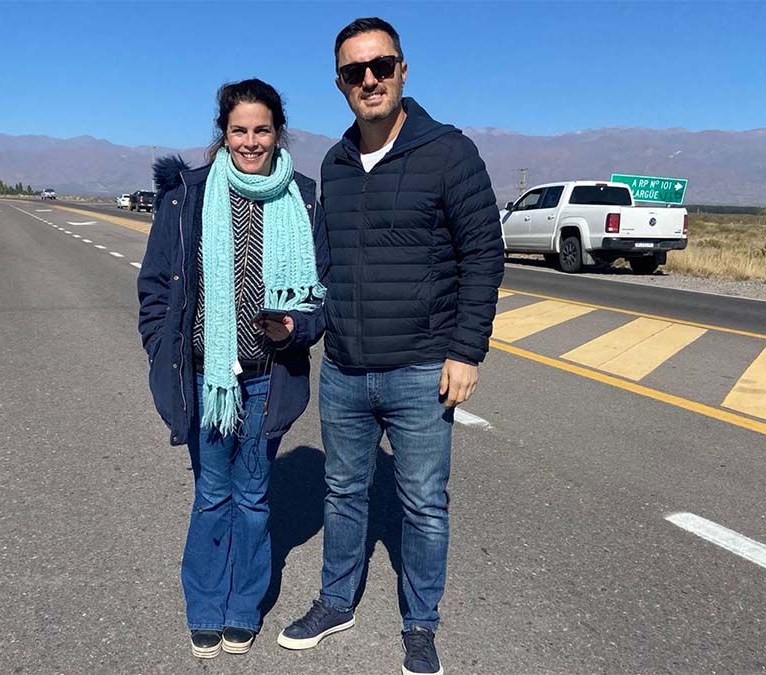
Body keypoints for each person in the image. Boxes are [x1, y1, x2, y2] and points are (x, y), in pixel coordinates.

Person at [277, 18, 504, 675]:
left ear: (404, 70)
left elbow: (483, 254)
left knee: (423, 503)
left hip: (421, 367)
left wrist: (467, 351)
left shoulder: (448, 152)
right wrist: (302, 326)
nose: (369, 79)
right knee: (343, 492)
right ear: (340, 84)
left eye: (381, 66)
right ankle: (335, 601)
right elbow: (326, 268)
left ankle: (420, 623)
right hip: (346, 369)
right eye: (355, 72)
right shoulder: (336, 164)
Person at [137, 79, 328, 660]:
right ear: (224, 132)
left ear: (278, 133)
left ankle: (243, 607)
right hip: (205, 379)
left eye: (262, 130)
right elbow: (154, 286)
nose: (250, 141)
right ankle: (204, 607)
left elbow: (323, 298)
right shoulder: (188, 196)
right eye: (239, 130)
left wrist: (296, 328)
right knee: (211, 494)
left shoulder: (302, 198)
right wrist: (161, 347)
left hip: (268, 378)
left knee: (254, 497)